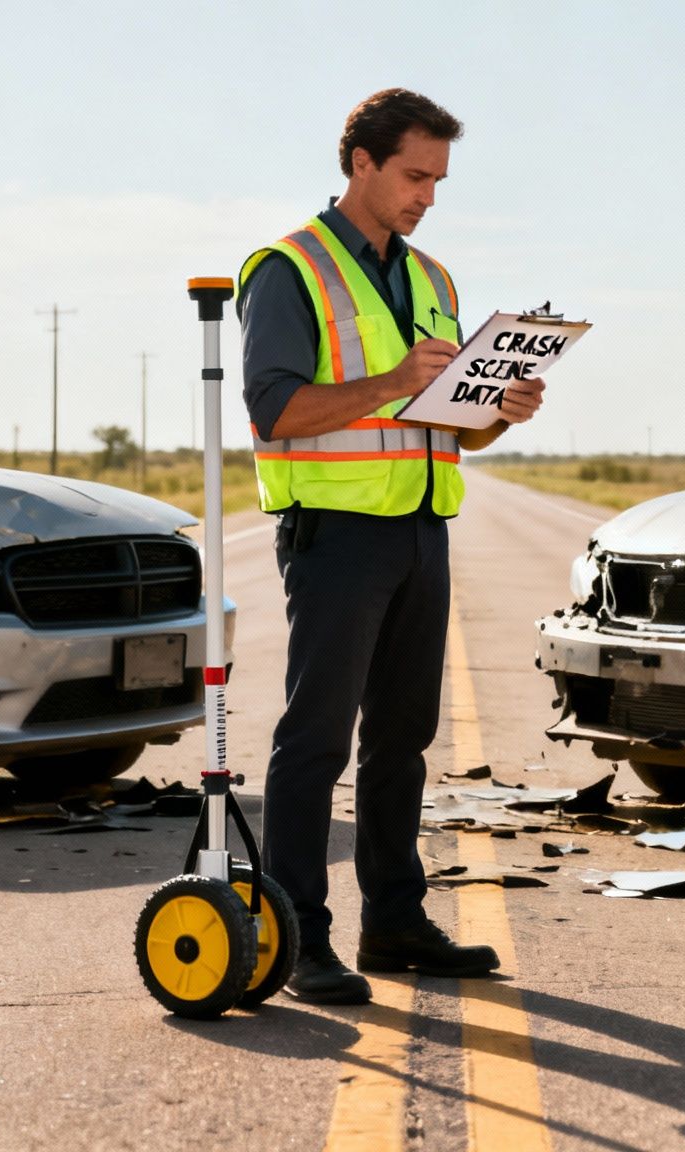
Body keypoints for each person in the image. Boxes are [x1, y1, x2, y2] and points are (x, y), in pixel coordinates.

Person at [238, 88, 545, 1005]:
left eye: (439, 179)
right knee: (316, 738)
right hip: (335, 535)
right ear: (361, 163)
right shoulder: (289, 270)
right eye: (415, 175)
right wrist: (384, 381)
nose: (428, 195)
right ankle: (297, 934)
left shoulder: (435, 281)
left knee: (403, 741)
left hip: (420, 529)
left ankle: (396, 923)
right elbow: (275, 410)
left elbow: (444, 424)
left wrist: (499, 414)